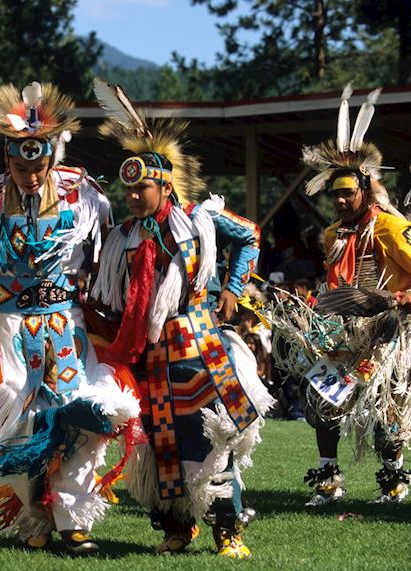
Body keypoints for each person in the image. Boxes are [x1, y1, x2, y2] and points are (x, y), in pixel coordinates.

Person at [0, 81, 141, 555]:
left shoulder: (81, 193)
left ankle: (74, 519)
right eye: (20, 168)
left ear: (51, 159)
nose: (29, 176)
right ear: (6, 160)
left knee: (81, 414)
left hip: (66, 323)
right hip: (10, 325)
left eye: (38, 167)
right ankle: (34, 517)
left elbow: (106, 250)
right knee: (16, 420)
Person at [90, 79, 273, 558]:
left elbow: (250, 235)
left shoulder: (198, 219)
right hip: (150, 354)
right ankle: (176, 527)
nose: (133, 197)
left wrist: (233, 288)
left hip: (199, 346)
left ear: (165, 186)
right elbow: (114, 297)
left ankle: (228, 530)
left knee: (213, 434)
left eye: (142, 188)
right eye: (128, 189)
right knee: (160, 441)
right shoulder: (123, 237)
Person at [269, 86, 411, 506]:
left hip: (392, 332)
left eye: (348, 192)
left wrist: (409, 296)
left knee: (386, 412)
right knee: (320, 399)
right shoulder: (334, 234)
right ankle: (329, 481)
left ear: (365, 190)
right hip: (345, 333)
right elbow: (337, 284)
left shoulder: (391, 228)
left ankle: (394, 482)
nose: (340, 199)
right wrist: (314, 308)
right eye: (335, 193)